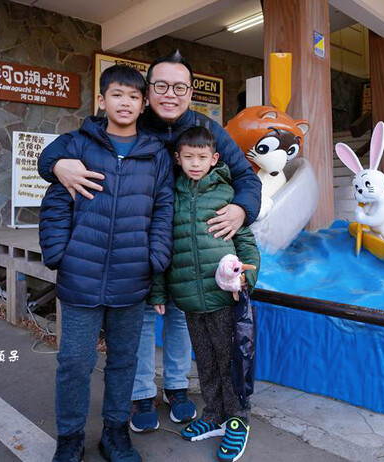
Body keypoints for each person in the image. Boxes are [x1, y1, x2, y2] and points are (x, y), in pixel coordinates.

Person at [38, 50, 262, 432]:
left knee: (180, 319)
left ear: (190, 92)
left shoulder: (207, 130)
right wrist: (56, 164)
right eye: (161, 86)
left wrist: (242, 209)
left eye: (179, 87)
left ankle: (177, 388)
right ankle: (142, 393)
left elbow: (246, 178)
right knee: (142, 319)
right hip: (139, 246)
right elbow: (60, 152)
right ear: (148, 93)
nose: (170, 94)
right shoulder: (131, 121)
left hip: (190, 247)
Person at [39, 64, 175, 462]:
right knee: (74, 362)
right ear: (101, 100)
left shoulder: (155, 155)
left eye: (134, 96)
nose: (125, 102)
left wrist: (155, 258)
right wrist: (59, 254)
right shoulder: (77, 145)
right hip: (80, 275)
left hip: (132, 276)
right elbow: (55, 203)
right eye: (117, 94)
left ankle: (115, 434)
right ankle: (69, 437)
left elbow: (163, 209)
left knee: (124, 362)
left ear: (144, 103)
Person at [150, 126, 260, 462]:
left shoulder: (226, 194)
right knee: (206, 361)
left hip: (224, 297)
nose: (195, 163)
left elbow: (246, 241)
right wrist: (159, 291)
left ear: (214, 159)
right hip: (189, 299)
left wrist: (247, 278)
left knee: (231, 361)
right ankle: (213, 414)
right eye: (188, 157)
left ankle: (237, 420)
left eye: (202, 157)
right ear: (177, 158)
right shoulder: (172, 196)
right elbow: (163, 246)